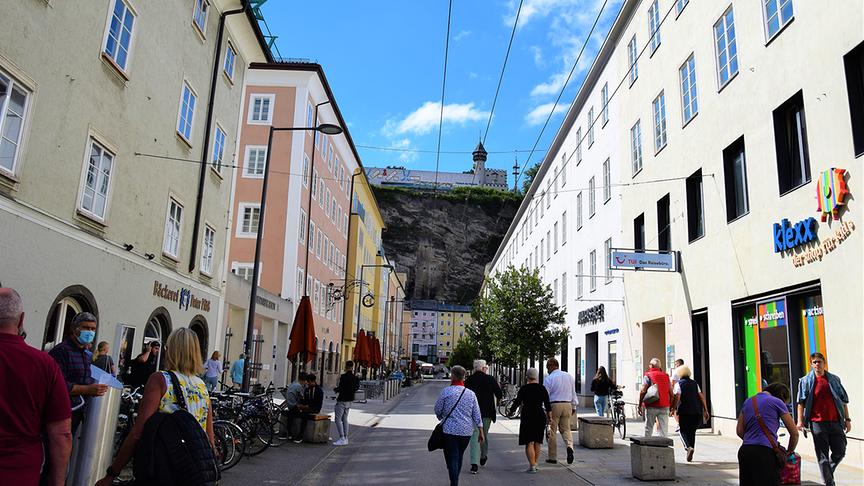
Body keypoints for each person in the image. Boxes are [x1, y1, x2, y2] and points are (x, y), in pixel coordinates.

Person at [96, 328, 215, 486]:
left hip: (165, 467)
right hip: (191, 470)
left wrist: (112, 473)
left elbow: (138, 432)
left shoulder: (161, 379)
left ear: (171, 350)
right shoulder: (202, 386)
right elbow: (209, 437)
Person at [0, 288, 72, 485]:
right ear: (21, 319)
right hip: (19, 472)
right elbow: (62, 434)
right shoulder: (44, 364)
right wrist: (57, 481)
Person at [48, 311, 109, 435]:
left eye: (93, 329)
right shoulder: (61, 351)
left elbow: (84, 378)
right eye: (86, 328)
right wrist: (87, 389)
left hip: (77, 411)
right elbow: (55, 385)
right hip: (61, 414)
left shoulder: (85, 354)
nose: (90, 332)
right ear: (74, 329)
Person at [796, 352, 851, 486]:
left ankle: (828, 473)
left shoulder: (834, 379)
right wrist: (800, 421)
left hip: (835, 422)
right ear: (811, 364)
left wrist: (847, 420)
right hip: (817, 423)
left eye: (819, 362)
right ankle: (829, 483)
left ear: (824, 363)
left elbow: (843, 401)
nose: (817, 364)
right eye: (814, 362)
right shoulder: (805, 381)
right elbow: (800, 403)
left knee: (840, 451)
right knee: (823, 457)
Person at [737, 382, 799, 486]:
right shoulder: (777, 402)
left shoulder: (748, 401)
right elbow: (794, 433)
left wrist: (752, 440)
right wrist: (789, 452)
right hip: (765, 453)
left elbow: (739, 431)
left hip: (745, 451)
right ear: (782, 396)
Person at [434, 365, 484, 486]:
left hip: (449, 431)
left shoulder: (446, 392)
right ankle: (454, 478)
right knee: (459, 456)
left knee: (452, 457)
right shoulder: (471, 394)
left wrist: (441, 417)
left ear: (453, 376)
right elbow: (477, 414)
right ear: (463, 377)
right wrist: (481, 430)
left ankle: (454, 482)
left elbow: (437, 409)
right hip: (466, 432)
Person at [510, 368, 552, 473]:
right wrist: (550, 417)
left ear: (527, 377)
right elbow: (547, 404)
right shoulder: (542, 388)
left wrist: (511, 411)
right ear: (537, 376)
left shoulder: (524, 389)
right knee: (537, 441)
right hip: (539, 415)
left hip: (527, 415)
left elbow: (517, 402)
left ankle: (532, 465)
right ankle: (535, 463)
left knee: (529, 442)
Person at [465, 359, 502, 474]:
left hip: (472, 412)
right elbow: (499, 394)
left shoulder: (469, 380)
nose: (486, 369)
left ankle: (474, 464)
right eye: (485, 367)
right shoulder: (490, 379)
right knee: (484, 434)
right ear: (482, 368)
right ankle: (483, 456)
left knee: (475, 435)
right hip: (487, 412)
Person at [672, 365, 710, 462]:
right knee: (692, 431)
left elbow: (678, 397)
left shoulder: (678, 384)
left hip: (684, 411)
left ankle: (688, 447)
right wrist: (706, 410)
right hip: (697, 411)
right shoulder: (695, 383)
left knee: (682, 430)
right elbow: (701, 396)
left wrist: (673, 408)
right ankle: (691, 448)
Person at [543, 358, 576, 465]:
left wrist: (545, 408)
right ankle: (569, 446)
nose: (547, 370)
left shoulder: (549, 378)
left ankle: (552, 457)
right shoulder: (569, 376)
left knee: (552, 431)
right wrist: (574, 406)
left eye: (547, 367)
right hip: (567, 404)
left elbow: (545, 395)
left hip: (554, 405)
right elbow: (573, 392)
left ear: (552, 366)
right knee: (566, 429)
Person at [638, 358, 673, 437]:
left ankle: (647, 447)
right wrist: (672, 406)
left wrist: (639, 405)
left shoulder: (648, 375)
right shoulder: (666, 376)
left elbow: (643, 391)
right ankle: (663, 447)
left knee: (648, 428)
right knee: (663, 430)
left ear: (651, 365)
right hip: (664, 406)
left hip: (651, 405)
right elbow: (672, 394)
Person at [333, 361, 361, 446]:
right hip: (350, 400)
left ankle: (342, 438)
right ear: (352, 367)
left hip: (342, 400)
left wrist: (335, 389)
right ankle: (346, 437)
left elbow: (341, 388)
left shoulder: (344, 376)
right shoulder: (355, 377)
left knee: (337, 419)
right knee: (344, 419)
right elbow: (356, 388)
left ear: (346, 366)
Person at [294, 372, 324, 443]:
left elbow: (318, 403)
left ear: (311, 381)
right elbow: (306, 400)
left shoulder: (319, 390)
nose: (307, 384)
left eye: (308, 382)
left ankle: (300, 435)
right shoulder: (307, 390)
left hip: (315, 408)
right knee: (293, 410)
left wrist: (307, 406)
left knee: (305, 414)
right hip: (307, 407)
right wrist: (301, 403)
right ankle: (290, 433)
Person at [277, 372, 308, 440]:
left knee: (290, 416)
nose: (306, 383)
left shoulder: (293, 384)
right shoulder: (299, 387)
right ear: (304, 380)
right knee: (305, 416)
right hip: (294, 406)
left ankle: (289, 433)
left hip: (290, 405)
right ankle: (299, 436)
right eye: (306, 381)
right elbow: (302, 398)